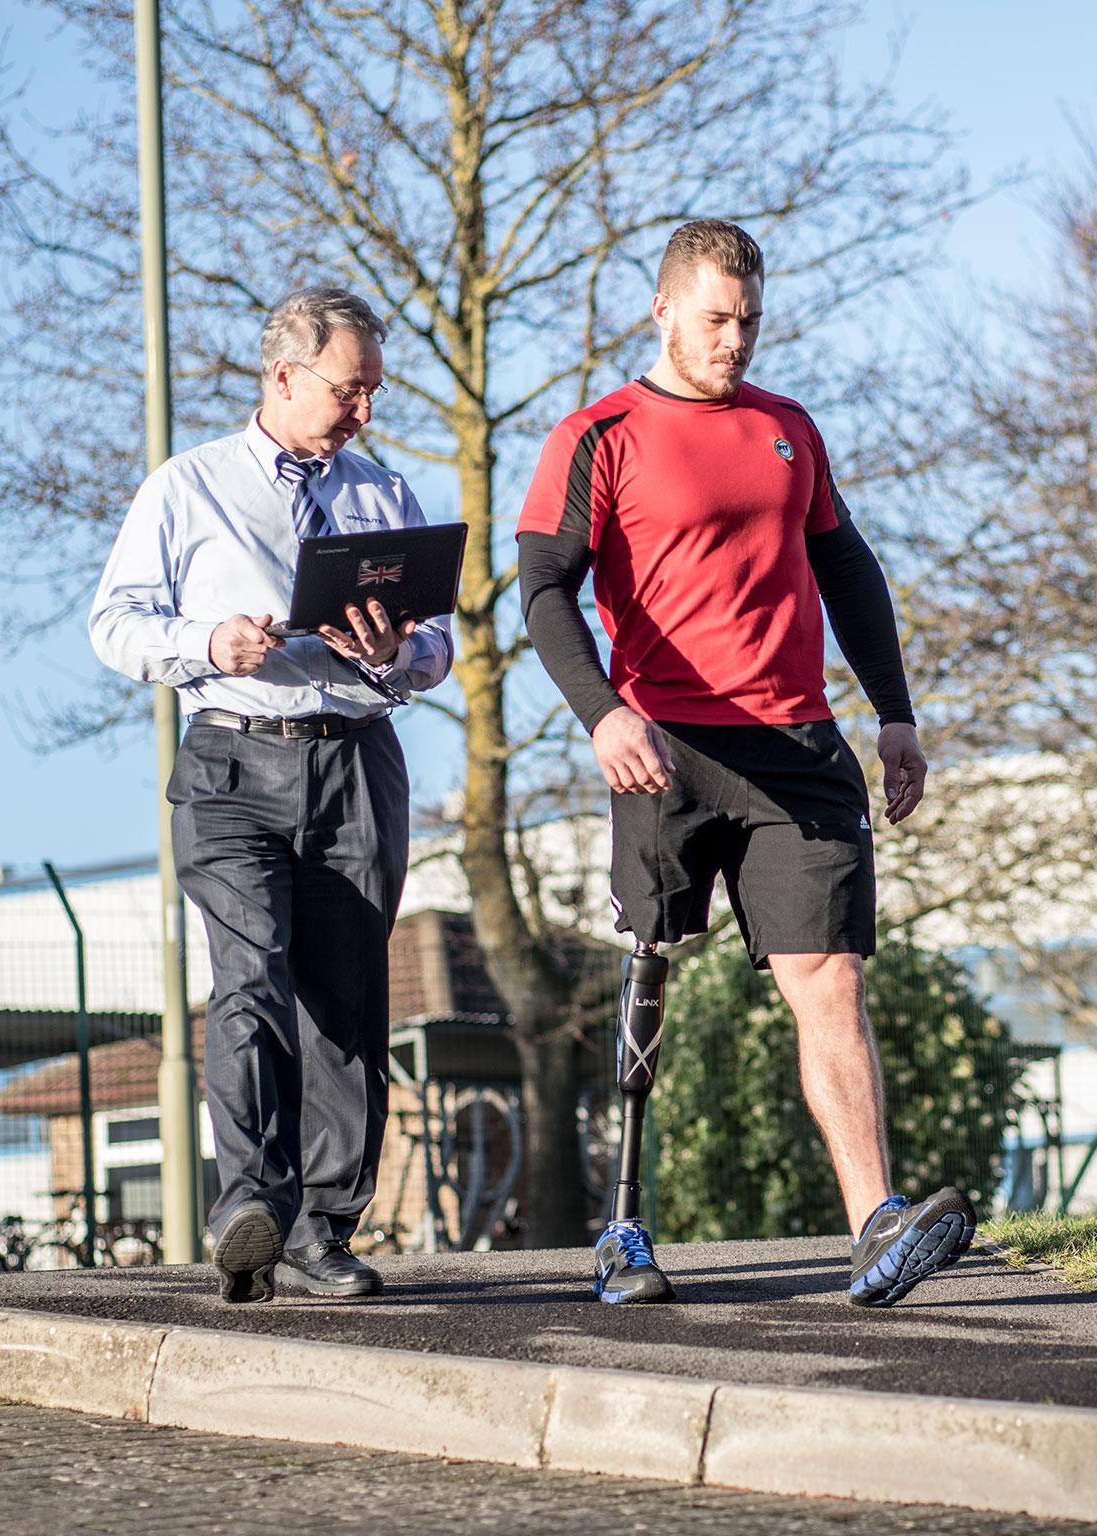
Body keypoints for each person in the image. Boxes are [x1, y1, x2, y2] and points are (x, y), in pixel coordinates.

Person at [516, 220, 974, 1307]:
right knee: (652, 965)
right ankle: (623, 1230)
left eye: (751, 320)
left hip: (799, 746)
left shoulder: (787, 430)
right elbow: (542, 589)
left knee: (832, 983)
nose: (736, 340)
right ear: (664, 310)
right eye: (718, 319)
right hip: (663, 746)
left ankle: (875, 1226)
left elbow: (847, 569)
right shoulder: (598, 435)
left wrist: (896, 713)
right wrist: (599, 714)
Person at [90, 287, 453, 1303]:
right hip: (231, 762)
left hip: (356, 760)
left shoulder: (382, 493)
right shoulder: (185, 487)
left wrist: (395, 653)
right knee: (250, 978)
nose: (365, 411)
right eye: (351, 389)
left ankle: (321, 1232)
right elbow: (113, 622)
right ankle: (250, 1204)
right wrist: (205, 642)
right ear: (286, 376)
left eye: (375, 392)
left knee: (347, 1000)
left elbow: (436, 645)